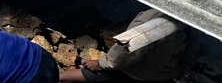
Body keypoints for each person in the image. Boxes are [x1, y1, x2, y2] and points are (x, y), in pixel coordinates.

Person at [59, 9, 198, 83]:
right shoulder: (194, 18)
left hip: (138, 73)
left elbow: (129, 44)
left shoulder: (156, 17)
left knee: (64, 77)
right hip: (165, 71)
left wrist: (102, 63)